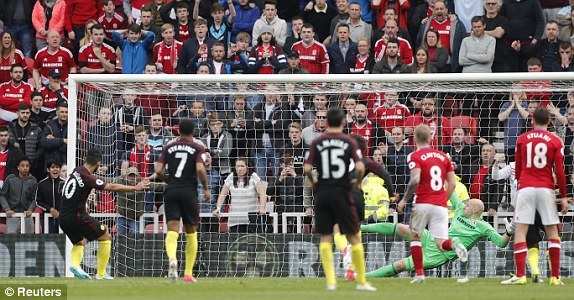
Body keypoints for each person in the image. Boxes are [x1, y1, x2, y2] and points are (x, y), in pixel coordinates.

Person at [303, 106, 375, 291]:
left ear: (326, 123)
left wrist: (314, 183)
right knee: (353, 237)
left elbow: (307, 169)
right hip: (343, 191)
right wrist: (357, 183)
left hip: (323, 192)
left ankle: (331, 281)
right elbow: (360, 167)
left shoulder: (317, 142)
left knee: (326, 237)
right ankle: (361, 282)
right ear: (343, 122)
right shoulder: (349, 142)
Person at [363, 196, 513, 280]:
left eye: (468, 205)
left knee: (401, 265)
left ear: (474, 210)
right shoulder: (460, 209)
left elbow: (501, 243)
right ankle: (360, 228)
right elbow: (451, 189)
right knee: (402, 227)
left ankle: (364, 276)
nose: (464, 205)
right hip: (434, 238)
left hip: (439, 255)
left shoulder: (484, 227)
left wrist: (508, 232)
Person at [502, 106, 569, 286]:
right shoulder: (555, 141)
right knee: (552, 232)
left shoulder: (522, 139)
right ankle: (555, 277)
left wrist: (520, 184)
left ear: (532, 121)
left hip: (526, 187)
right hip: (546, 188)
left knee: (521, 232)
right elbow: (560, 171)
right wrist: (563, 195)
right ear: (549, 121)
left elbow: (519, 167)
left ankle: (521, 275)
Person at [59, 148, 149, 280]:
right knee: (106, 236)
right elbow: (111, 187)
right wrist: (136, 187)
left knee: (80, 242)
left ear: (85, 159)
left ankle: (76, 265)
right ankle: (101, 274)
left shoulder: (76, 170)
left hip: (63, 217)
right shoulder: (88, 178)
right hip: (76, 217)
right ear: (98, 164)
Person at [396, 124, 467, 284]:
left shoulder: (414, 156)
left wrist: (404, 200)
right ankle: (454, 244)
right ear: (430, 138)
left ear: (414, 139)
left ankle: (420, 274)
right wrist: (443, 199)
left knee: (415, 237)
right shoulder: (443, 156)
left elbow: (415, 179)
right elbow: (452, 184)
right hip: (440, 205)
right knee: (442, 244)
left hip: (422, 202)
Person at [155, 118, 209, 283]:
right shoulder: (198, 147)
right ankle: (188, 273)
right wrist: (206, 188)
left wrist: (168, 180)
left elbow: (158, 169)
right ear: (193, 132)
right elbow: (200, 168)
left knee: (172, 230)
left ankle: (172, 259)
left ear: (178, 132)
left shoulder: (168, 147)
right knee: (191, 231)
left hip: (171, 190)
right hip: (189, 191)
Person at [212, 157, 267, 233]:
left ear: (247, 167)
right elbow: (222, 194)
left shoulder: (254, 176)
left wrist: (262, 208)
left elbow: (262, 194)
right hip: (235, 219)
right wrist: (218, 208)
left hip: (251, 219)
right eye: (237, 166)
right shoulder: (231, 177)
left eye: (242, 166)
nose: (239, 169)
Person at [0, 156, 37, 234]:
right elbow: (2, 195)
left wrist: (30, 210)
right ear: (18, 167)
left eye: (27, 166)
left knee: (29, 241)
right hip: (12, 215)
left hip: (27, 215)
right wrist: (7, 209)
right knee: (11, 241)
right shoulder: (10, 179)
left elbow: (35, 198)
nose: (25, 168)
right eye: (22, 165)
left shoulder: (33, 181)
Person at [34, 159, 64, 234]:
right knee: (48, 240)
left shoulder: (64, 183)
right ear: (48, 169)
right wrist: (50, 209)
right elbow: (38, 201)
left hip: (62, 217)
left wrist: (60, 211)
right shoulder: (42, 184)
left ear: (60, 169)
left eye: (57, 167)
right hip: (47, 218)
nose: (55, 169)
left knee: (62, 241)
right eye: (53, 167)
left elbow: (68, 200)